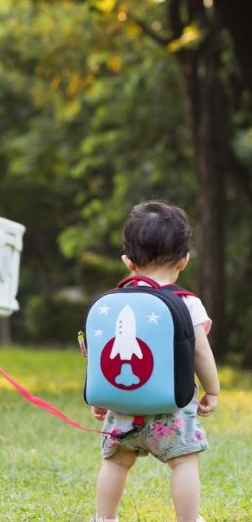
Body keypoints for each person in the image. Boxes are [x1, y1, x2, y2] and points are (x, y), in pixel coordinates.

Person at [90, 201, 220, 522]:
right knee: (184, 462)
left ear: (127, 261)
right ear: (184, 259)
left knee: (115, 462)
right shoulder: (187, 303)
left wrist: (102, 396)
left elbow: (103, 353)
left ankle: (104, 518)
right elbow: (201, 351)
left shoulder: (113, 304)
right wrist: (213, 390)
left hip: (123, 404)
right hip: (171, 408)